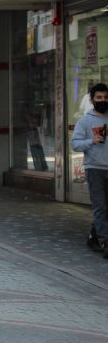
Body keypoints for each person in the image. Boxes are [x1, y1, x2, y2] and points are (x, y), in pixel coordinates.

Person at [71, 83, 108, 258]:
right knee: (100, 206)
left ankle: (95, 235)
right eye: (99, 97)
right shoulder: (85, 120)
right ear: (92, 99)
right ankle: (104, 242)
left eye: (106, 98)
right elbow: (75, 144)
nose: (102, 100)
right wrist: (91, 141)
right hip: (94, 169)